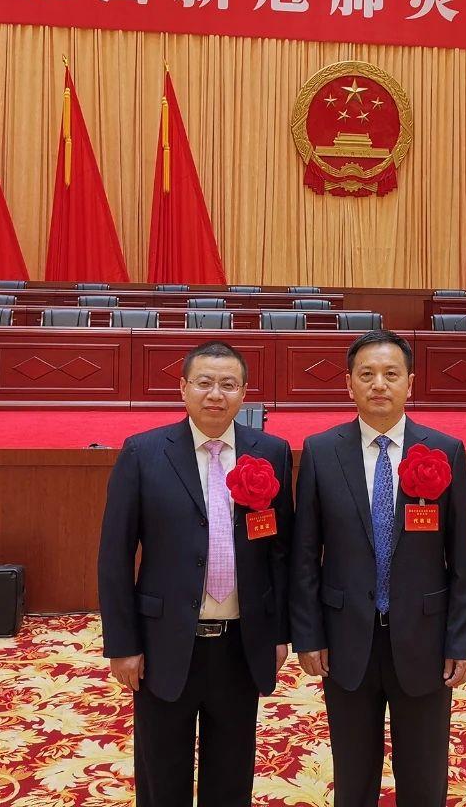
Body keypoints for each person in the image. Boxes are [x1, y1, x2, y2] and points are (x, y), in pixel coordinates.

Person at [291, 328, 466, 807]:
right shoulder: (320, 451)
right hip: (344, 638)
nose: (379, 384)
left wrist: (461, 641)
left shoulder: (444, 450)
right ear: (349, 384)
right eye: (367, 374)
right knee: (353, 775)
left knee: (424, 775)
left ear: (410, 383)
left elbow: (463, 558)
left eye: (391, 374)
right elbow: (305, 555)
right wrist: (309, 635)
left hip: (425, 639)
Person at [98, 340, 293, 807]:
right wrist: (123, 645)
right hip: (163, 641)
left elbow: (281, 553)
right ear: (183, 388)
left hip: (241, 643)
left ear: (244, 392)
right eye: (204, 383)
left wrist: (280, 633)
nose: (216, 394)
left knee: (231, 775)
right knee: (162, 775)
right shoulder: (143, 452)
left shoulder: (271, 452)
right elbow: (115, 555)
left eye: (228, 384)